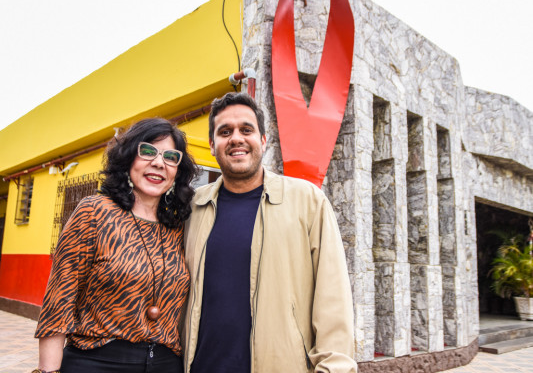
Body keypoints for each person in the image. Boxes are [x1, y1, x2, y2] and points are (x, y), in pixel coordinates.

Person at [183, 92, 357, 372]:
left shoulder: (307, 201)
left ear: (263, 140)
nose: (236, 138)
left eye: (246, 130)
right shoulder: (192, 208)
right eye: (225, 132)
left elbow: (333, 297)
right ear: (212, 146)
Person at [34, 118, 197, 373]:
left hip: (165, 364)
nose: (158, 163)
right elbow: (59, 302)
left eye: (170, 157)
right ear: (128, 158)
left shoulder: (179, 226)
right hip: (97, 362)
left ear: (178, 170)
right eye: (147, 151)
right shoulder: (94, 212)